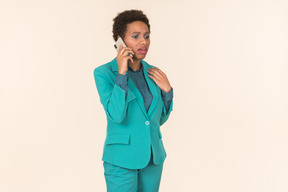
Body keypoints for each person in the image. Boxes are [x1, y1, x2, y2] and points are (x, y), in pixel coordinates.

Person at [93, 9, 173, 192]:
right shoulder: (104, 73)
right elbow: (116, 115)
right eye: (135, 36)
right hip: (121, 159)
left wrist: (167, 91)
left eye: (146, 36)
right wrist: (121, 73)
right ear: (120, 40)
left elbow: (157, 120)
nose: (143, 41)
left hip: (153, 158)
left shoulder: (154, 73)